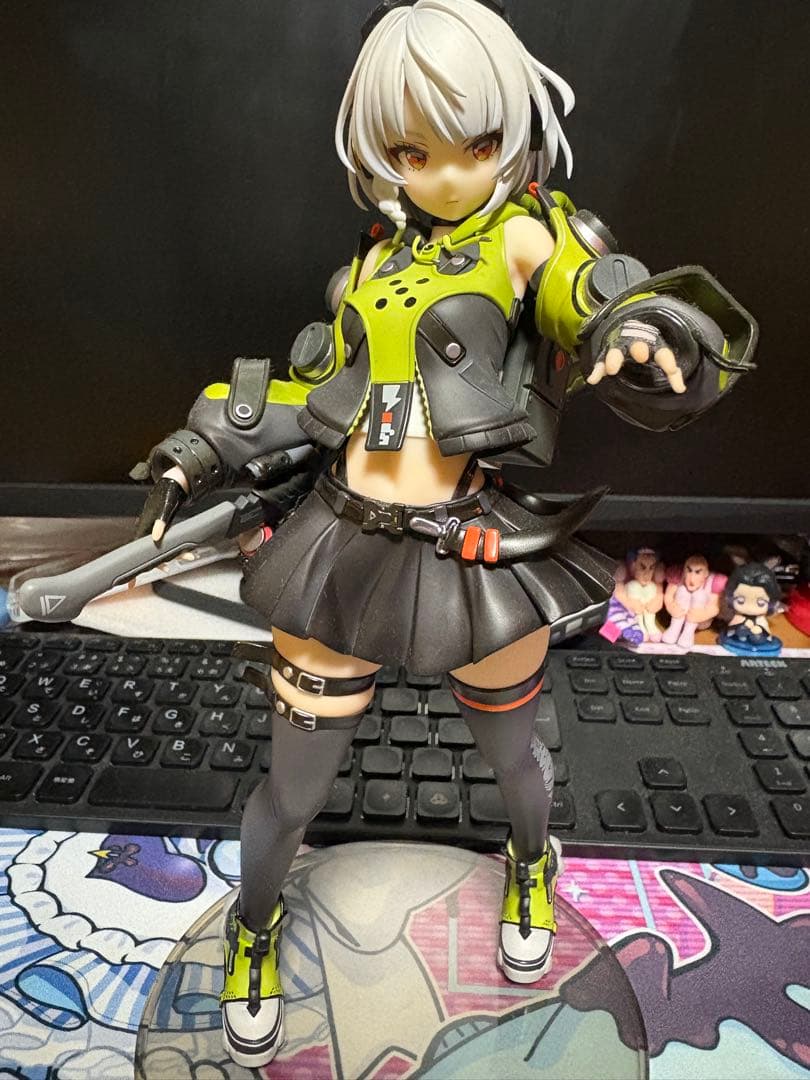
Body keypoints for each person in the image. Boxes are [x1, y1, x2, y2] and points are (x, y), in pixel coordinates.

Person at [133, 0, 754, 1067]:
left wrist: (645, 326)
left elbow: (592, 295)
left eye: (477, 144)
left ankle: (530, 865)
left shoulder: (525, 236)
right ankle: (254, 926)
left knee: (513, 755)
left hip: (468, 543)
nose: (450, 175)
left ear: (514, 133)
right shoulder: (374, 266)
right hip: (344, 537)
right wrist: (199, 445)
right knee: (292, 787)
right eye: (416, 152)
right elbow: (310, 393)